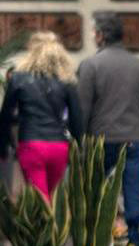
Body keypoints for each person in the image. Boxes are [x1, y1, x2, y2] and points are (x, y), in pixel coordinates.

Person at [78, 11, 139, 244]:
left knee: (95, 194)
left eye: (93, 32)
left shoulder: (90, 65)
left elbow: (83, 109)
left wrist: (79, 141)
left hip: (101, 139)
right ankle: (136, 242)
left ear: (100, 35)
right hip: (133, 138)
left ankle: (95, 242)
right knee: (133, 195)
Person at [0, 31, 83, 200]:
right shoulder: (66, 81)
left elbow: (5, 115)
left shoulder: (18, 79)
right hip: (59, 146)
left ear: (32, 53)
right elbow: (76, 119)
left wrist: (3, 146)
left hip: (31, 145)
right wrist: (80, 149)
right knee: (53, 200)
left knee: (39, 201)